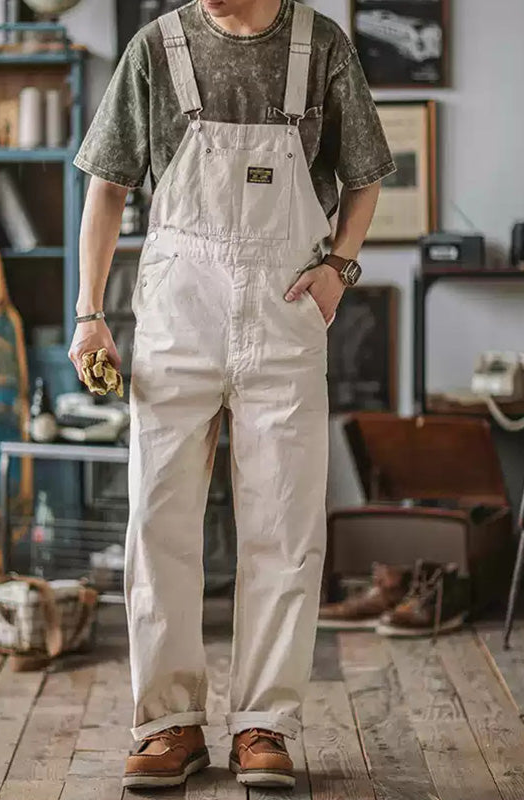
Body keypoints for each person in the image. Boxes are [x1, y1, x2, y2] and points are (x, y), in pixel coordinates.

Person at [70, 0, 395, 789]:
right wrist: (89, 312)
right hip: (179, 316)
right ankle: (169, 724)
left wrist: (338, 271)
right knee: (159, 519)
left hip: (286, 313)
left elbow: (365, 179)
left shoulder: (321, 47)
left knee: (283, 526)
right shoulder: (158, 48)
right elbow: (109, 188)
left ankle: (264, 725)